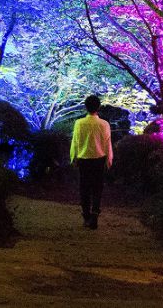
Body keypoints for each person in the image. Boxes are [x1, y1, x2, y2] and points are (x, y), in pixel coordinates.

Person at [70, 94, 113, 229]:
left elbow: (75, 142)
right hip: (99, 160)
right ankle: (94, 214)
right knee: (97, 188)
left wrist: (73, 157)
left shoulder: (79, 123)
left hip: (84, 160)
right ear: (98, 107)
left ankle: (86, 216)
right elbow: (107, 143)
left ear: (85, 107)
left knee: (84, 188)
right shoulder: (104, 124)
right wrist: (109, 160)